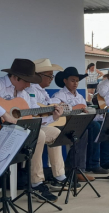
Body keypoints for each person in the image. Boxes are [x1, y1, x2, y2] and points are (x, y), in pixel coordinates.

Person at [1, 59, 63, 202]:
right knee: (39, 135)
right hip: (4, 131)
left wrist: (53, 117)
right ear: (16, 77)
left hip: (21, 130)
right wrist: (4, 114)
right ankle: (36, 182)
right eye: (27, 81)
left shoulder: (24, 94)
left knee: (54, 133)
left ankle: (59, 176)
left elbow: (34, 116)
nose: (29, 85)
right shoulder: (1, 85)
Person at [25, 58, 92, 187]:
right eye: (49, 76)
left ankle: (60, 175)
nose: (51, 79)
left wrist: (54, 114)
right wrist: (55, 113)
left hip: (44, 124)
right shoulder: (31, 90)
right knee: (43, 135)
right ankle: (37, 181)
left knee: (57, 133)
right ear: (39, 76)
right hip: (33, 127)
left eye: (52, 76)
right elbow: (33, 113)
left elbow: (47, 111)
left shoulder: (43, 92)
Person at [53, 67, 109, 174]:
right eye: (72, 80)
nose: (75, 83)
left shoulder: (80, 97)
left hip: (81, 122)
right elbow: (57, 109)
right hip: (67, 124)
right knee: (92, 127)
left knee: (99, 124)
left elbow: (86, 111)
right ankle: (81, 168)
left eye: (77, 81)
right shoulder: (59, 96)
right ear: (65, 81)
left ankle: (94, 163)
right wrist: (72, 110)